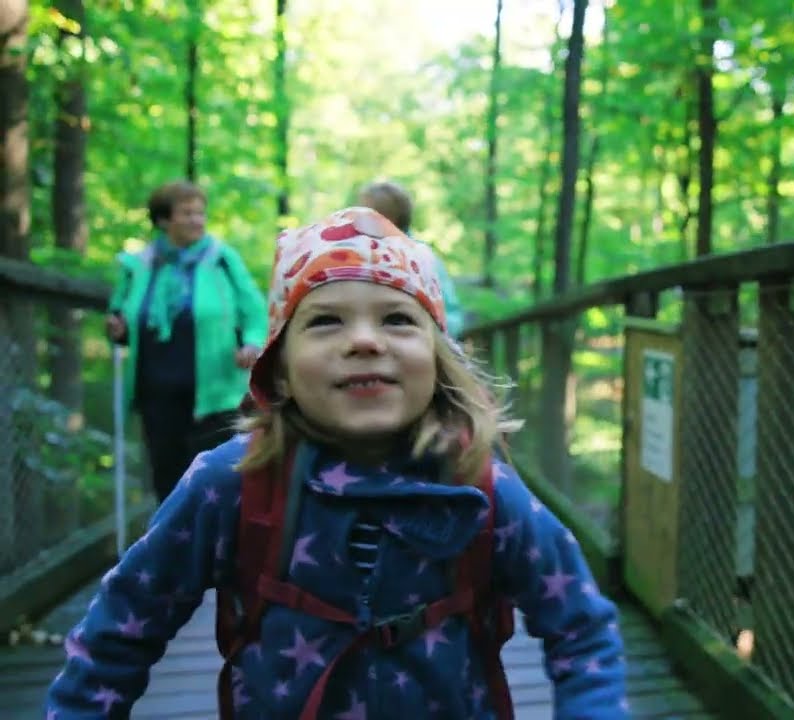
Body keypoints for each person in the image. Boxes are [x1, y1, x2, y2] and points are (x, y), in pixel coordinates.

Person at [47, 207, 628, 719]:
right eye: (325, 321)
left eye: (398, 319)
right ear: (279, 369)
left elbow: (580, 626)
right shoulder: (230, 485)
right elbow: (119, 632)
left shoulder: (482, 489)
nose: (365, 341)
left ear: (437, 360)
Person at [105, 180, 268, 503]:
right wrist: (117, 328)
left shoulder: (221, 258)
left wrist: (251, 342)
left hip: (214, 393)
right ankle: (171, 549)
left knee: (215, 480)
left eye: (200, 213)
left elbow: (254, 308)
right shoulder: (139, 265)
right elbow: (120, 314)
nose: (197, 220)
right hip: (156, 393)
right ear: (164, 220)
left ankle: (218, 550)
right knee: (166, 478)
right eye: (187, 213)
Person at [358, 180, 465, 336]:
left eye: (365, 212)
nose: (356, 218)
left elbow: (451, 317)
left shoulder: (420, 257)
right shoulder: (357, 253)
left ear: (388, 217)